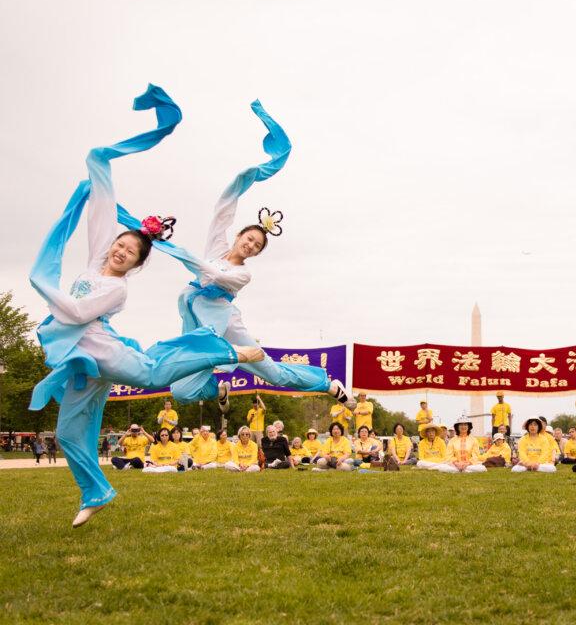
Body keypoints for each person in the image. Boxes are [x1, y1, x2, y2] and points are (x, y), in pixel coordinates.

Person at [25, 88, 266, 527]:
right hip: (83, 362)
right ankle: (96, 490)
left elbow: (77, 315)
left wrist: (42, 286)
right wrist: (99, 169)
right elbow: (101, 214)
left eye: (131, 251)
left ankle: (228, 353)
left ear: (137, 264)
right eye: (120, 243)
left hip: (103, 351)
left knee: (152, 374)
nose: (121, 251)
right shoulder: (98, 262)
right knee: (65, 433)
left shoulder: (117, 292)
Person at [165, 101, 349, 414]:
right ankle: (217, 386)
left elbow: (213, 275)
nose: (250, 246)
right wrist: (243, 180)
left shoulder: (241, 274)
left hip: (225, 325)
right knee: (179, 388)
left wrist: (179, 253)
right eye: (249, 239)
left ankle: (328, 385)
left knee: (274, 373)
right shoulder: (215, 247)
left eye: (257, 246)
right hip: (198, 321)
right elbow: (223, 210)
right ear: (239, 236)